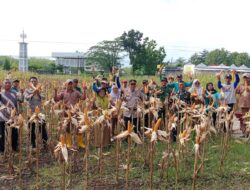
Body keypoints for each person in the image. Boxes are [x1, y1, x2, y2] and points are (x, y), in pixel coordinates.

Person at [54, 79, 86, 148]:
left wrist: (84, 90)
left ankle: (80, 143)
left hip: (75, 111)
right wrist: (55, 91)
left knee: (78, 126)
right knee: (67, 127)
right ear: (66, 85)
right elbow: (56, 99)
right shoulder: (63, 93)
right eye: (69, 84)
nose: (70, 85)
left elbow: (83, 98)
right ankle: (69, 143)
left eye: (71, 84)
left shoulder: (76, 92)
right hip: (66, 112)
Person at [0, 79, 23, 152]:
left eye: (9, 83)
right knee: (2, 134)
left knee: (14, 133)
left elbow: (21, 100)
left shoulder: (15, 93)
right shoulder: (1, 93)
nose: (7, 84)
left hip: (13, 116)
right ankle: (2, 149)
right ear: (3, 85)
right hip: (2, 116)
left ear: (11, 84)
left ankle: (14, 147)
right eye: (6, 83)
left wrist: (22, 93)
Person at [24, 77, 48, 149]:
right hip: (30, 113)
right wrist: (33, 93)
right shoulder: (27, 90)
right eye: (32, 81)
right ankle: (33, 144)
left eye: (35, 81)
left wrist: (38, 92)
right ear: (30, 83)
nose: (34, 82)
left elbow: (44, 98)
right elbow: (26, 98)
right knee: (31, 129)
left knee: (42, 128)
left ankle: (45, 143)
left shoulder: (40, 90)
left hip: (40, 113)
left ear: (37, 82)